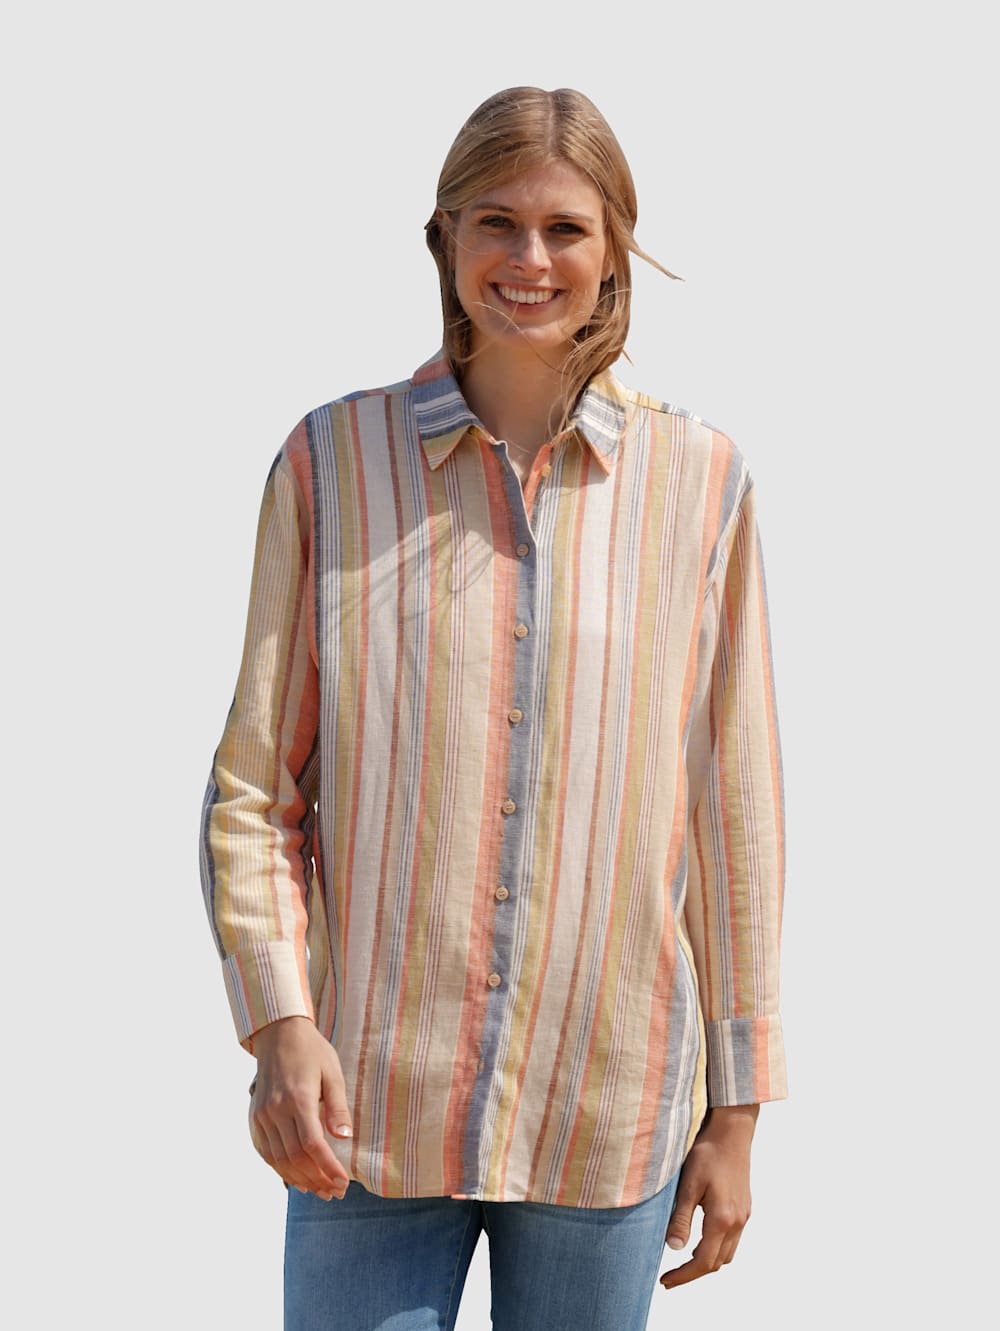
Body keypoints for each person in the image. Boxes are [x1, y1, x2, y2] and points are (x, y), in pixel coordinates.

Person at [200, 85, 786, 1331]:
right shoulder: (331, 464)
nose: (529, 258)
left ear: (614, 250)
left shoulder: (702, 483)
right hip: (365, 1112)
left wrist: (735, 1111)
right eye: (495, 223)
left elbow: (732, 816)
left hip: (607, 1108)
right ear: (444, 238)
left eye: (566, 228)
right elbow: (255, 789)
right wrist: (278, 1026)